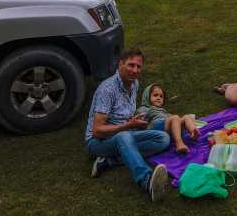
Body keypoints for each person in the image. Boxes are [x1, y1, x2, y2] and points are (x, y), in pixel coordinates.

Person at [85, 48, 171, 201]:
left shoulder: (134, 84)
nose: (135, 70)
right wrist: (127, 126)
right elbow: (97, 131)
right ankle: (147, 181)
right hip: (98, 142)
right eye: (131, 65)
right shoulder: (107, 90)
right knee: (124, 136)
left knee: (163, 138)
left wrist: (136, 121)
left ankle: (109, 160)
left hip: (125, 134)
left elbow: (124, 115)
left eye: (138, 66)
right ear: (120, 65)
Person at [135, 83, 200, 154]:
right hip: (156, 127)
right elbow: (139, 121)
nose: (158, 98)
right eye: (155, 95)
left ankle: (193, 133)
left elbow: (169, 117)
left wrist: (178, 119)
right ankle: (179, 144)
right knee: (175, 117)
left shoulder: (162, 110)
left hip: (166, 126)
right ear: (147, 97)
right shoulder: (144, 108)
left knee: (186, 117)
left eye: (161, 96)